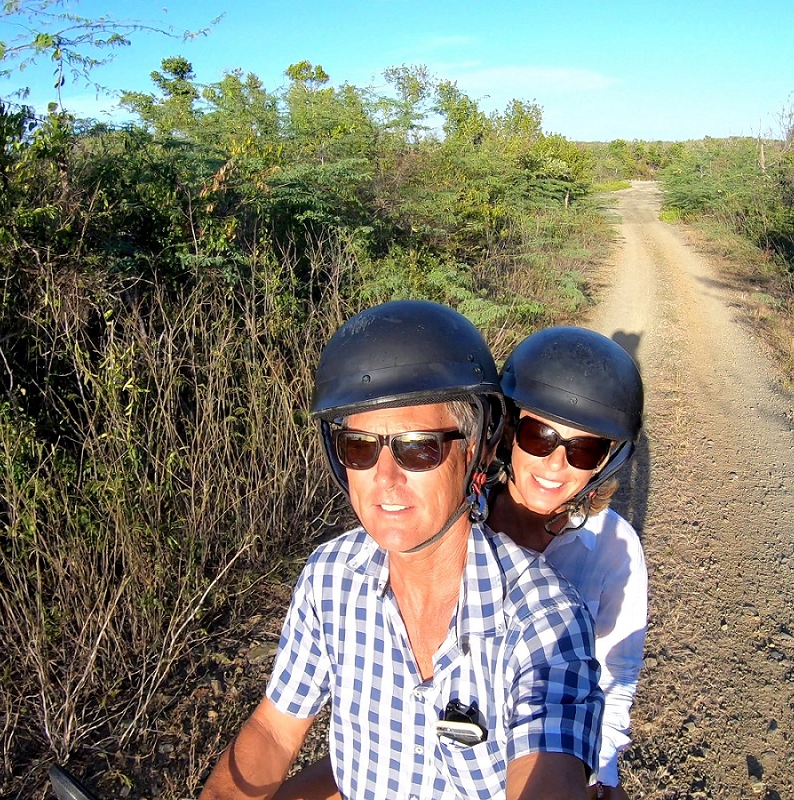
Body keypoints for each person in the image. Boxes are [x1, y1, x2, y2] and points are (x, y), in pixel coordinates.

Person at [198, 300, 603, 800]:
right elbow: (274, 731)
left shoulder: (543, 618)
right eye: (359, 447)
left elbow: (548, 770)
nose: (385, 479)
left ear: (475, 448)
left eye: (418, 447)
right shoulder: (330, 578)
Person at [486, 326, 647, 800]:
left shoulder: (613, 548)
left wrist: (600, 773)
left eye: (583, 449)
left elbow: (615, 674)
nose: (556, 464)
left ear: (604, 461)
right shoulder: (462, 523)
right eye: (540, 436)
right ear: (509, 432)